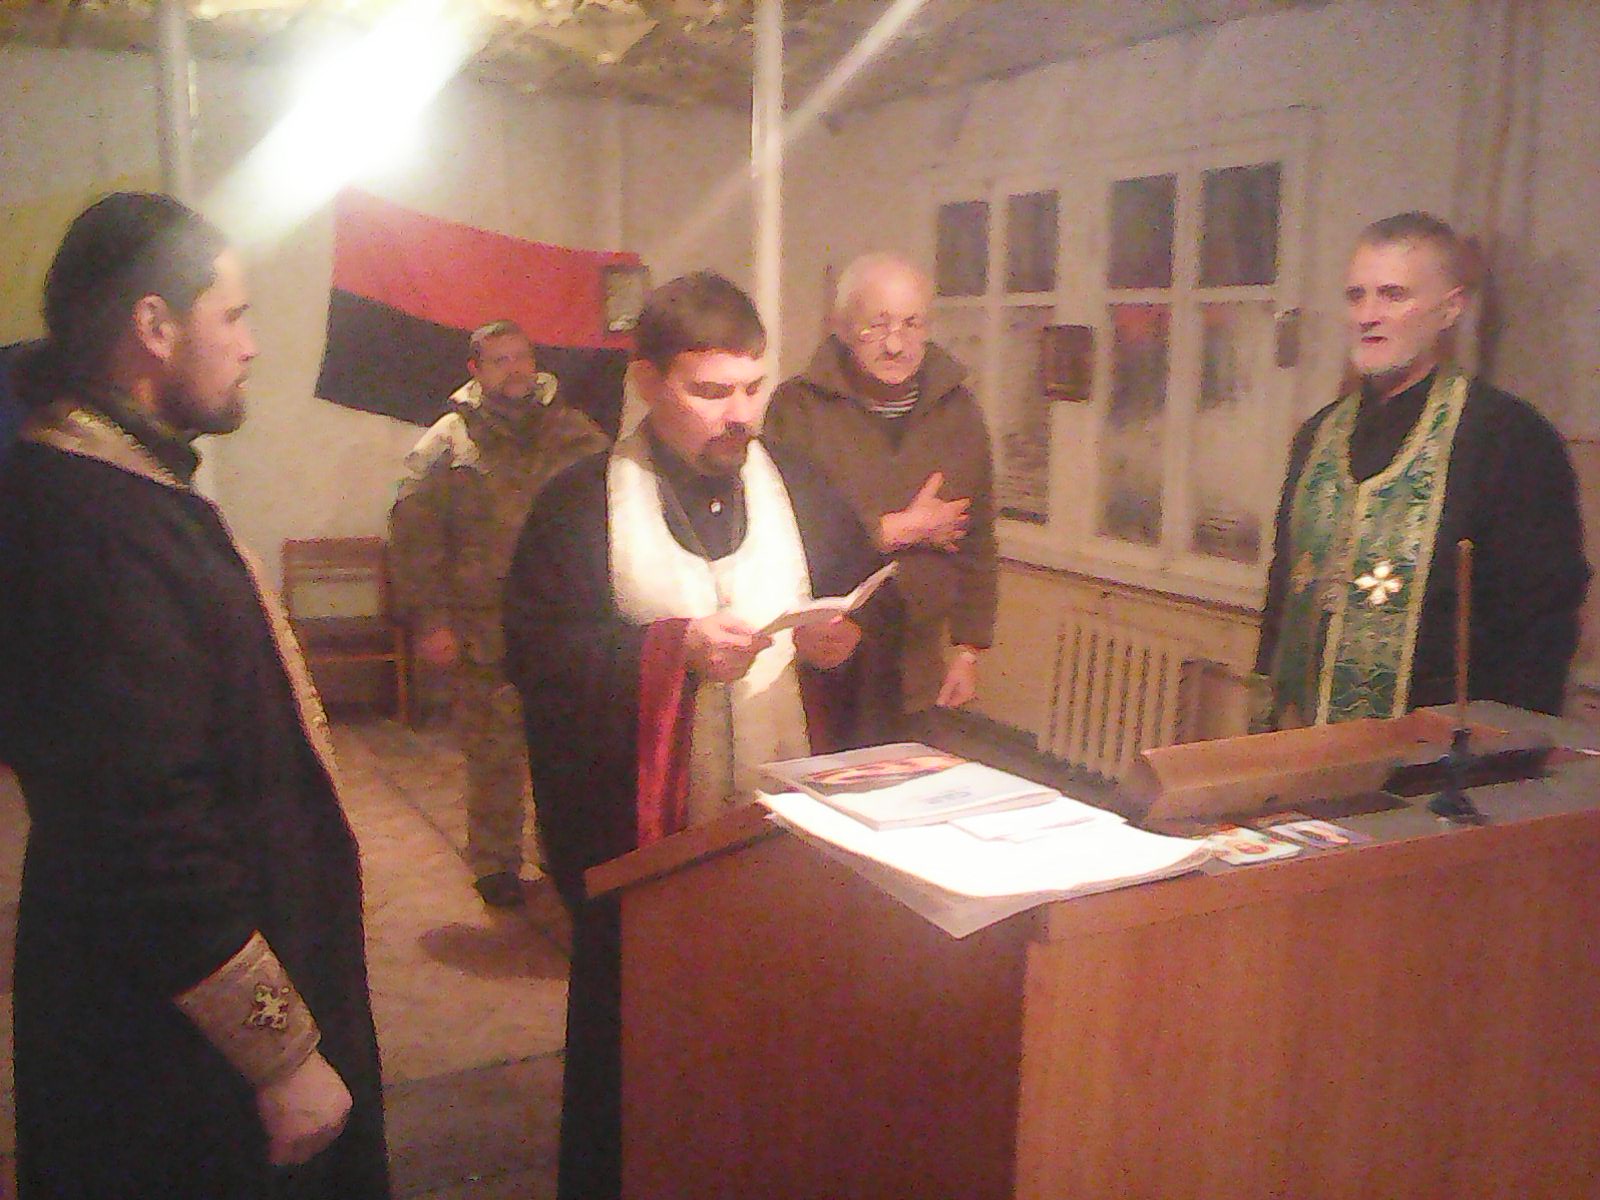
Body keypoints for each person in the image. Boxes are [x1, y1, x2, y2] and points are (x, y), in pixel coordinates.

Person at [0, 193, 389, 1196]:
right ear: (155, 327)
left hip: (176, 1019)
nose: (251, 346)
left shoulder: (120, 489)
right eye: (235, 315)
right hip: (169, 1054)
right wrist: (282, 1055)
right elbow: (143, 829)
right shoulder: (90, 528)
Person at [502, 270, 886, 1200]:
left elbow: (871, 610)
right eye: (710, 391)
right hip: (650, 853)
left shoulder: (802, 486)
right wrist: (669, 651)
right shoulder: (578, 505)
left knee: (783, 1046)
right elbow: (541, 657)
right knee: (646, 1067)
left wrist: (843, 647)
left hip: (786, 842)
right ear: (647, 382)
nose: (739, 414)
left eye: (752, 386)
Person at [1255, 211, 1588, 728]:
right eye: (1356, 296)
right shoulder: (1318, 436)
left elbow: (1539, 622)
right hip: (1300, 742)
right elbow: (1284, 586)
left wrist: (1498, 751)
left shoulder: (1507, 437)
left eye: (1393, 295)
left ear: (1449, 308)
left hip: (1436, 751)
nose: (1368, 315)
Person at [389, 320, 608, 907]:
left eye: (522, 357)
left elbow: (612, 512)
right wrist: (430, 619)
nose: (514, 370)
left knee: (565, 749)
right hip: (482, 626)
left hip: (563, 622)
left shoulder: (575, 432)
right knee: (493, 753)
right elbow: (414, 536)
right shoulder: (449, 442)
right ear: (475, 370)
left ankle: (563, 854)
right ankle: (495, 864)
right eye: (499, 360)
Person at [765, 251, 998, 733]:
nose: (895, 344)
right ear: (842, 327)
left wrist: (968, 649)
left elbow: (979, 539)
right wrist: (895, 529)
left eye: (911, 324)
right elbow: (777, 535)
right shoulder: (797, 409)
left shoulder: (960, 413)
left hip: (918, 667)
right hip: (823, 663)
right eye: (877, 325)